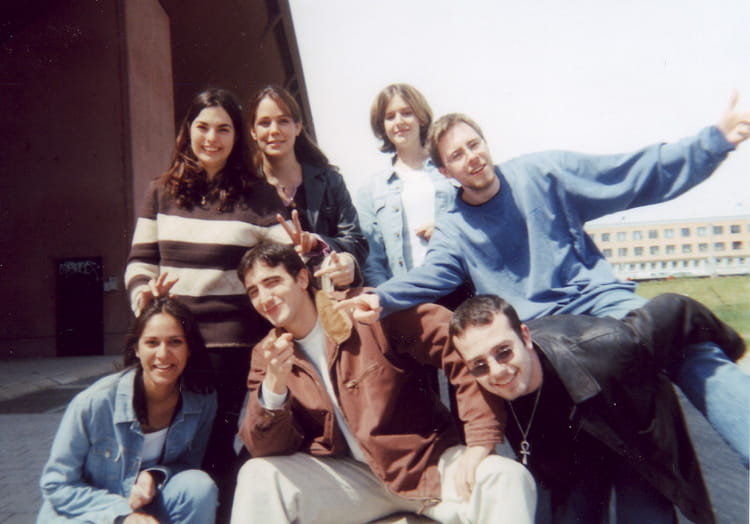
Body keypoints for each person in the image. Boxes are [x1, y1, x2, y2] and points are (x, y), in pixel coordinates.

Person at [339, 94, 750, 464]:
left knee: (687, 345)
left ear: (486, 144)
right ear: (446, 172)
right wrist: (381, 298)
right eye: (458, 156)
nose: (472, 158)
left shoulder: (543, 172)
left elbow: (627, 174)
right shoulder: (453, 227)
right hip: (541, 329)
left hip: (601, 300)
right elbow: (432, 275)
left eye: (474, 145)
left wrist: (714, 141)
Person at [230, 243, 535, 524]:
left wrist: (480, 441)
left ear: (301, 278)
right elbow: (266, 449)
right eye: (254, 291)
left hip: (426, 467)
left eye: (272, 282)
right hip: (351, 483)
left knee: (505, 476)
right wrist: (274, 388)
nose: (265, 298)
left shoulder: (365, 310)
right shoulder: (266, 355)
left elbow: (458, 345)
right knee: (258, 474)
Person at [124, 87, 291, 519]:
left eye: (223, 129)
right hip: (172, 348)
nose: (211, 138)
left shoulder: (259, 196)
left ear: (237, 136)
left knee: (214, 450)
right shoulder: (160, 192)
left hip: (231, 353)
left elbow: (288, 261)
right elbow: (139, 263)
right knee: (161, 452)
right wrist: (144, 296)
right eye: (203, 127)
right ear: (188, 131)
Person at [450, 293, 745, 523]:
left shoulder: (609, 346)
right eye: (479, 364)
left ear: (525, 336)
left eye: (504, 352)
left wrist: (734, 349)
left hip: (631, 441)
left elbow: (676, 307)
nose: (497, 371)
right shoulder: (484, 387)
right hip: (574, 457)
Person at [37, 297, 218, 523]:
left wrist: (153, 475)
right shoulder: (94, 402)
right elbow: (57, 484)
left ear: (189, 348)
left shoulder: (202, 401)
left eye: (175, 342)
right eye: (152, 343)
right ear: (137, 349)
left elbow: (188, 465)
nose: (163, 354)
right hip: (88, 513)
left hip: (147, 508)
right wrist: (122, 514)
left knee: (198, 486)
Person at [248, 85, 368, 289]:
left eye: (283, 121)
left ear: (298, 127)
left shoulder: (330, 181)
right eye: (264, 123)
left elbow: (357, 243)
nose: (274, 130)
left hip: (330, 295)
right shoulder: (247, 190)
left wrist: (318, 242)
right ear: (253, 131)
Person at [357, 83, 456, 286]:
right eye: (390, 116)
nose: (399, 121)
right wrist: (386, 297)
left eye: (406, 113)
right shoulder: (371, 189)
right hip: (407, 294)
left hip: (457, 285)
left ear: (421, 117)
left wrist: (446, 229)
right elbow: (372, 260)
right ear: (382, 127)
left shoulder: (449, 170)